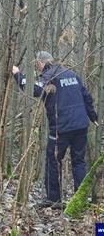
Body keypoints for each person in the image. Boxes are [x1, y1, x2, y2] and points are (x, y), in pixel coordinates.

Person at [12, 51, 98, 207]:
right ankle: (80, 200)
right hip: (81, 125)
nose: (37, 69)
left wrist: (17, 74)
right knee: (78, 162)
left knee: (52, 160)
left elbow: (34, 88)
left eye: (37, 65)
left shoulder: (50, 76)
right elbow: (86, 96)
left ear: (41, 63)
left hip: (61, 128)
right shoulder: (71, 73)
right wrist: (93, 117)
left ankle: (54, 199)